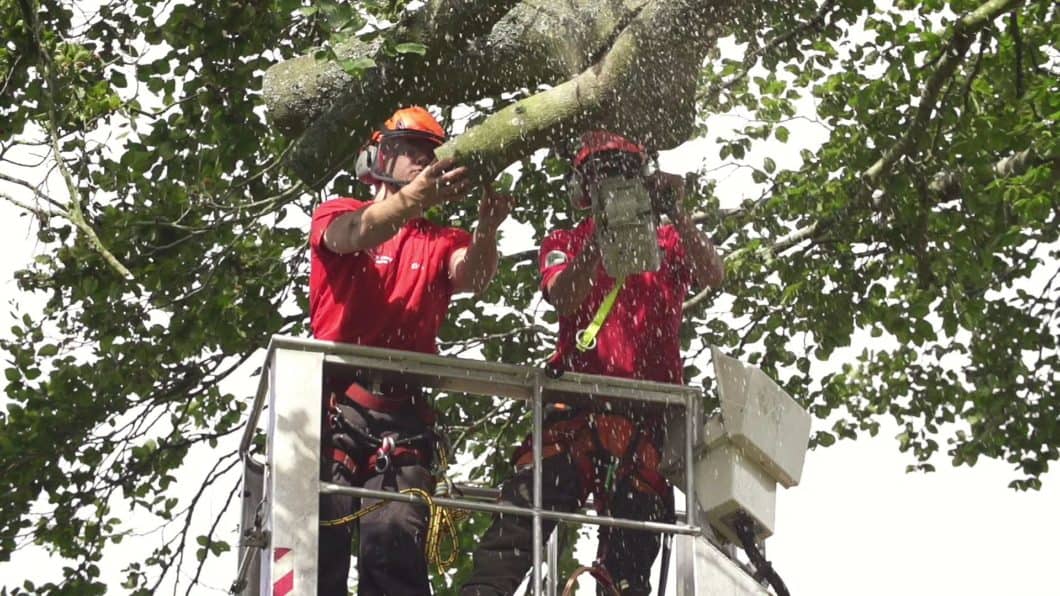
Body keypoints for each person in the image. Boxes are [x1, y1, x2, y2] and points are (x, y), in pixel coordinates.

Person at [460, 131, 725, 596]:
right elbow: (564, 297)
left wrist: (677, 212)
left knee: (629, 561)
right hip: (575, 410)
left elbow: (714, 274)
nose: (612, 182)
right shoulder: (565, 241)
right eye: (600, 174)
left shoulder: (667, 241)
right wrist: (602, 241)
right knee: (522, 519)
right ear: (583, 188)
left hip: (643, 418)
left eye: (622, 171)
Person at [309, 106, 512, 595]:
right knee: (321, 535)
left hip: (400, 416)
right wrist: (412, 199)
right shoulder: (337, 212)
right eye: (410, 151)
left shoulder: (441, 240)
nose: (422, 161)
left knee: (395, 537)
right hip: (335, 406)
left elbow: (473, 275)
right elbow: (355, 234)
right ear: (378, 157)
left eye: (428, 154)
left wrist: (487, 229)